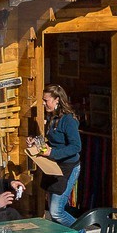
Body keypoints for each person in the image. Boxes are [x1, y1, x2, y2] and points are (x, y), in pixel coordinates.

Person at [30, 84, 81, 224]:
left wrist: (52, 152)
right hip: (53, 166)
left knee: (56, 211)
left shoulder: (68, 120)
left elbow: (76, 146)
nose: (43, 103)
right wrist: (37, 142)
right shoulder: (52, 118)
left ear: (57, 100)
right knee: (54, 211)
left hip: (68, 167)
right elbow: (53, 141)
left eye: (46, 100)